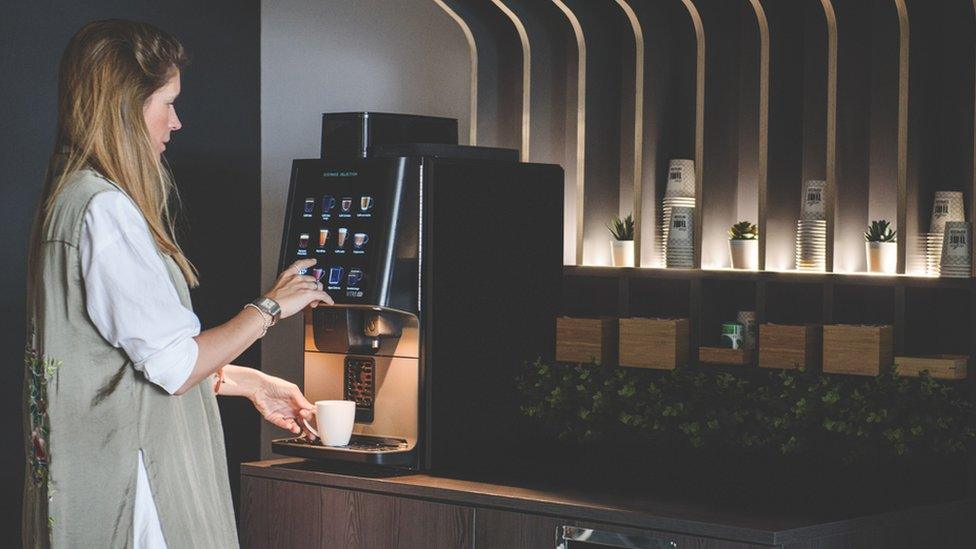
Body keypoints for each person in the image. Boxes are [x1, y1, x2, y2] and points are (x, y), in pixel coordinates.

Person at [23, 19, 331, 548]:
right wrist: (270, 308)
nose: (177, 121)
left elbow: (128, 359)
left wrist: (254, 383)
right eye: (167, 102)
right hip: (133, 489)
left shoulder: (68, 201)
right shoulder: (105, 210)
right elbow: (174, 365)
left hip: (90, 480)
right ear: (124, 107)